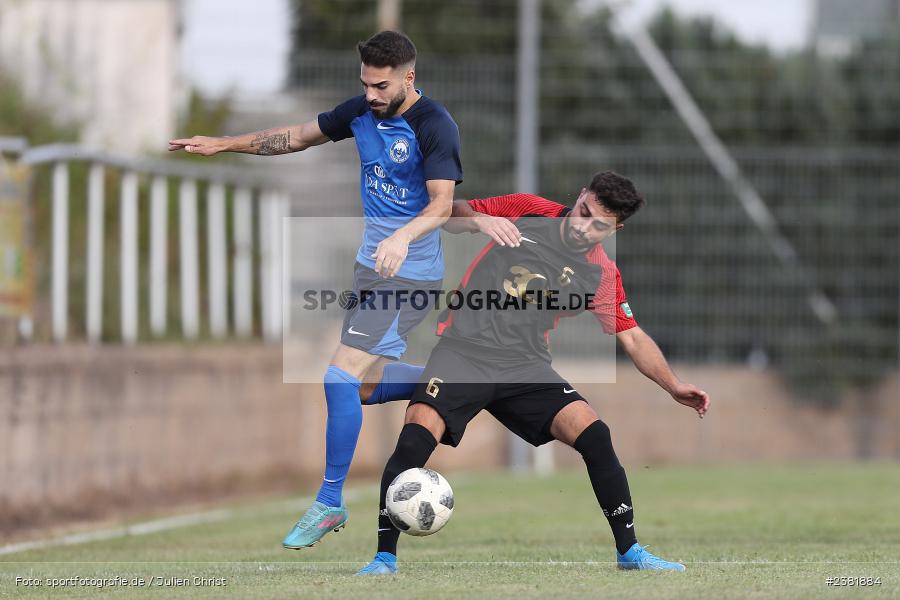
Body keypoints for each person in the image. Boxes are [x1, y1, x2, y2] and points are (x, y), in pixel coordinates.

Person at [169, 31, 463, 549]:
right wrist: (222, 144)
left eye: (381, 84)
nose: (371, 94)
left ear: (407, 77)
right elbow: (295, 137)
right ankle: (461, 382)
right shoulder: (360, 112)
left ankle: (329, 501)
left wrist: (400, 235)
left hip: (410, 273)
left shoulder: (434, 125)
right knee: (363, 387)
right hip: (371, 271)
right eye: (365, 83)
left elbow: (441, 206)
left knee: (337, 375)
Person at [356, 172, 711, 575]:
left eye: (599, 226)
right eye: (584, 212)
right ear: (580, 195)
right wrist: (480, 220)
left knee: (595, 435)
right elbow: (447, 214)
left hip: (525, 366)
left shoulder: (600, 273)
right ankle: (384, 558)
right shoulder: (527, 209)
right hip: (463, 352)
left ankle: (629, 553)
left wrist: (673, 385)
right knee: (415, 440)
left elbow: (632, 338)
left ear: (617, 228)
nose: (583, 227)